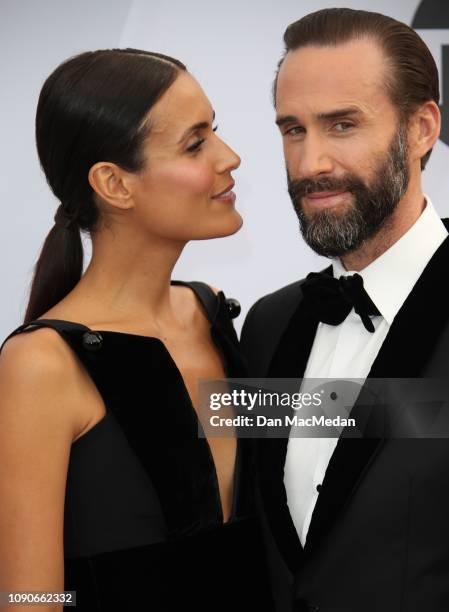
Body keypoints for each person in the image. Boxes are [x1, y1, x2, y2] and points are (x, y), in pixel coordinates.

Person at [0, 48, 274, 611]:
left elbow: (323, 425)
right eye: (196, 143)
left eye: (214, 131)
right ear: (114, 184)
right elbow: (27, 598)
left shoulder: (211, 313)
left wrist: (427, 406)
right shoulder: (43, 364)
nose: (231, 157)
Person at [241, 8, 449, 612]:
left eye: (342, 125)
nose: (310, 166)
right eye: (293, 130)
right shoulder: (268, 324)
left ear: (421, 129)